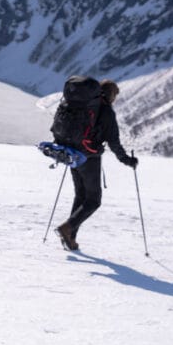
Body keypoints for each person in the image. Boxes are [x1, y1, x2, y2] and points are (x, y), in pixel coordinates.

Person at [56, 79, 138, 251]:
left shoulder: (85, 105)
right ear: (112, 95)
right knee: (93, 200)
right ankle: (67, 228)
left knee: (80, 196)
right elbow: (114, 143)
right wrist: (127, 160)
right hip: (89, 157)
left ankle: (70, 238)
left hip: (72, 153)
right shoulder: (106, 111)